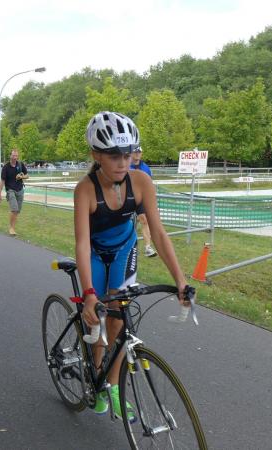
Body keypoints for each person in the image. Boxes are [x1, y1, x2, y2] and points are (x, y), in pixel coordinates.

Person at [74, 111, 191, 420]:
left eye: (128, 154)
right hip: (95, 253)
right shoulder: (85, 189)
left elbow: (159, 233)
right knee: (98, 319)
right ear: (96, 155)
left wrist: (180, 280)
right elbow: (82, 244)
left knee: (120, 318)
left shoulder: (141, 182)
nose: (123, 162)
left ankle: (111, 385)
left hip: (124, 251)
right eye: (114, 156)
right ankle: (95, 375)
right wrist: (88, 294)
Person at [130, 146, 157, 257]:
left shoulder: (145, 168)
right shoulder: (125, 165)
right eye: (135, 152)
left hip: (141, 198)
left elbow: (149, 184)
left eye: (139, 152)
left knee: (144, 220)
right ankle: (127, 246)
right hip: (127, 198)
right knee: (129, 223)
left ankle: (148, 247)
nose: (137, 154)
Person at [0, 149, 28, 236]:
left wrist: (21, 177)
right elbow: (2, 181)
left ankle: (13, 227)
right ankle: (11, 228)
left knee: (17, 211)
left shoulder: (20, 164)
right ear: (10, 156)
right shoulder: (6, 167)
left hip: (20, 190)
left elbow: (27, 175)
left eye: (16, 156)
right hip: (10, 190)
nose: (15, 157)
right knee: (14, 209)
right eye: (13, 155)